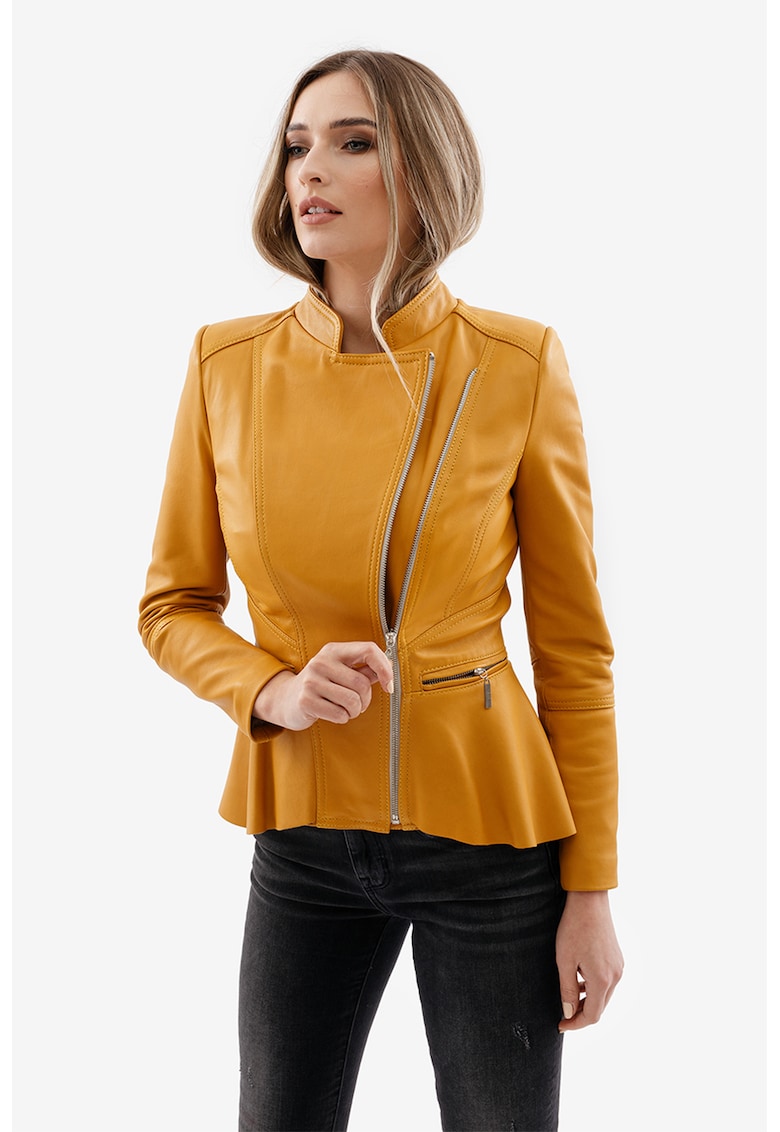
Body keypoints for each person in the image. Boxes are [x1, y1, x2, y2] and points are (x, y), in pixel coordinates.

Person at [139, 48, 624, 1132]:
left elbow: (575, 650)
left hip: (487, 839)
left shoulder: (515, 364)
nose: (310, 170)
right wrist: (271, 689)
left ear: (425, 168)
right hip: (303, 831)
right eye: (296, 146)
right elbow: (170, 606)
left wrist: (591, 889)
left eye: (354, 142)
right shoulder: (226, 365)